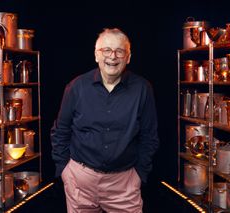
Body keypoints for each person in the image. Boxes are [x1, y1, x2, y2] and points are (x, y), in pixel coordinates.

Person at [50, 27, 160, 213]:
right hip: (79, 181)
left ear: (128, 57)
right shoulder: (76, 87)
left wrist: (139, 175)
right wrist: (65, 170)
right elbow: (60, 131)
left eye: (119, 50)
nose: (113, 56)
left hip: (124, 184)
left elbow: (149, 136)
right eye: (106, 50)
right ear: (96, 55)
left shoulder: (143, 88)